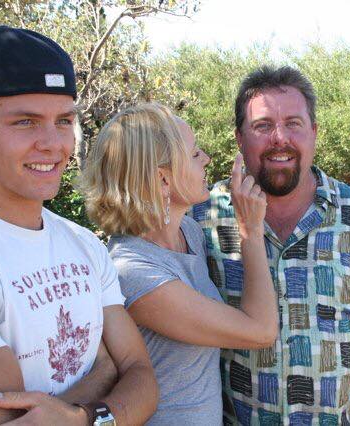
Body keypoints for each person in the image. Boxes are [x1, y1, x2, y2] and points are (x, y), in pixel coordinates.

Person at [0, 26, 158, 425]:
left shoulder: (83, 243)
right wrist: (105, 372)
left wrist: (83, 418)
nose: (54, 144)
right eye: (26, 122)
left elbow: (142, 376)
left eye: (64, 120)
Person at [190, 65, 350, 425]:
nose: (279, 138)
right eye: (262, 126)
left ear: (314, 133)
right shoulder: (200, 219)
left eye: (293, 123)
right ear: (239, 138)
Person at [79, 102, 278, 425]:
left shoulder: (189, 232)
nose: (206, 159)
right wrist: (251, 231)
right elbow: (261, 332)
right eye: (195, 153)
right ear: (162, 179)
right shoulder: (135, 273)